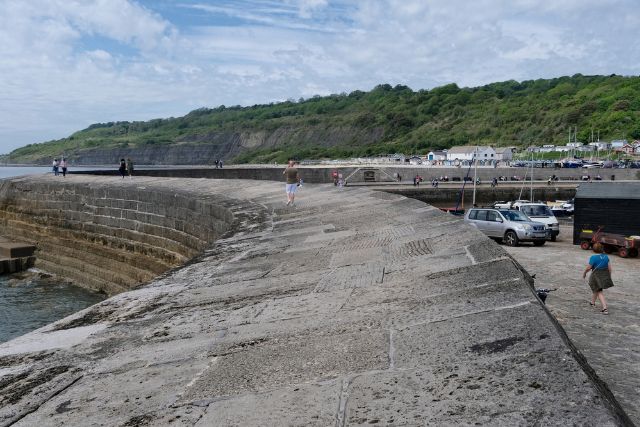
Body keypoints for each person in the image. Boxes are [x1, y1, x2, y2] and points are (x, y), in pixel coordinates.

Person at [582, 243, 613, 314]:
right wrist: (609, 277)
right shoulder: (606, 257)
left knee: (599, 291)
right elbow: (610, 268)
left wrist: (584, 273)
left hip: (596, 276)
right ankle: (592, 303)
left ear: (594, 249)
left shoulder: (593, 257)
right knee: (597, 288)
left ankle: (605, 308)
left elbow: (589, 268)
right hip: (604, 275)